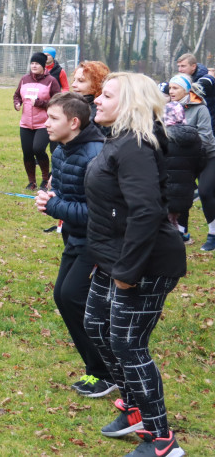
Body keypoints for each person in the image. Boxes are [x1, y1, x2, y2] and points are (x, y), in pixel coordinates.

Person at [84, 72, 187, 457]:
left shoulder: (136, 147)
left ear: (128, 104)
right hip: (112, 258)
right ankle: (133, 409)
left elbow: (145, 213)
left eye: (107, 95)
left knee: (129, 345)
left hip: (145, 264)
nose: (97, 99)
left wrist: (127, 272)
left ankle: (162, 441)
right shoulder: (118, 141)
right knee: (96, 326)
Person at [35, 92, 114, 398]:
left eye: (53, 119)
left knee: (72, 295)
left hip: (96, 240)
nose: (46, 124)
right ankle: (98, 369)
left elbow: (99, 213)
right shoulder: (61, 150)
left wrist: (54, 207)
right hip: (75, 237)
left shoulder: (95, 154)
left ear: (74, 122)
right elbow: (69, 197)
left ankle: (106, 371)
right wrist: (51, 198)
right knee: (63, 296)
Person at [166, 74, 215, 251]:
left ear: (187, 90)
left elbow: (206, 139)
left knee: (205, 191)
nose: (171, 91)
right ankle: (182, 233)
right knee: (180, 190)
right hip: (184, 159)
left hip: (208, 156)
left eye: (176, 88)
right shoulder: (168, 107)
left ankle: (213, 233)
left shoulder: (199, 108)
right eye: (170, 88)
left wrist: (184, 143)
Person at [14, 52, 62, 190]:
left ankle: (46, 179)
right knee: (28, 152)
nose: (34, 66)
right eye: (32, 63)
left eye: (37, 64)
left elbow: (57, 101)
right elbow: (17, 95)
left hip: (44, 123)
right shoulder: (24, 79)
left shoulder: (51, 81)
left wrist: (40, 103)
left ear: (43, 66)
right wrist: (17, 103)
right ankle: (31, 182)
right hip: (26, 123)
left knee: (38, 149)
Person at [163, 101, 204, 244]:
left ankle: (170, 239)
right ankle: (181, 234)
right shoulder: (195, 137)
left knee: (167, 217)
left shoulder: (161, 137)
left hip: (165, 187)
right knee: (179, 213)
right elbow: (201, 162)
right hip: (186, 188)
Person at [175, 52, 215, 121]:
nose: (179, 70)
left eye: (183, 66)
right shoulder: (185, 78)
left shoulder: (205, 79)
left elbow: (196, 90)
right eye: (178, 66)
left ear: (193, 66)